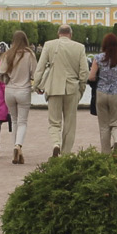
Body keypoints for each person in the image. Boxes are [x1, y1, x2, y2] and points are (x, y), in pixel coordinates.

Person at [33, 25, 89, 158]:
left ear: (58, 33)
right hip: (72, 88)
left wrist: (36, 85)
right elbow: (84, 72)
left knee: (54, 122)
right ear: (71, 34)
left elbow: (40, 67)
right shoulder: (79, 47)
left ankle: (56, 144)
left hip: (54, 87)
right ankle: (65, 154)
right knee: (70, 124)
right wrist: (81, 88)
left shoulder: (49, 45)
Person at [89, 32, 117, 153]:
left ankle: (105, 154)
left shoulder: (97, 58)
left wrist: (100, 80)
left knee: (104, 127)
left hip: (101, 94)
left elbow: (91, 77)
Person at [0, 31, 37, 163]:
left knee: (14, 121)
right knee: (22, 122)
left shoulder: (7, 54)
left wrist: (6, 80)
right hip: (23, 91)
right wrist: (37, 86)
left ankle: (15, 151)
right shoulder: (29, 54)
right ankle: (18, 145)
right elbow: (35, 74)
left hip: (9, 90)